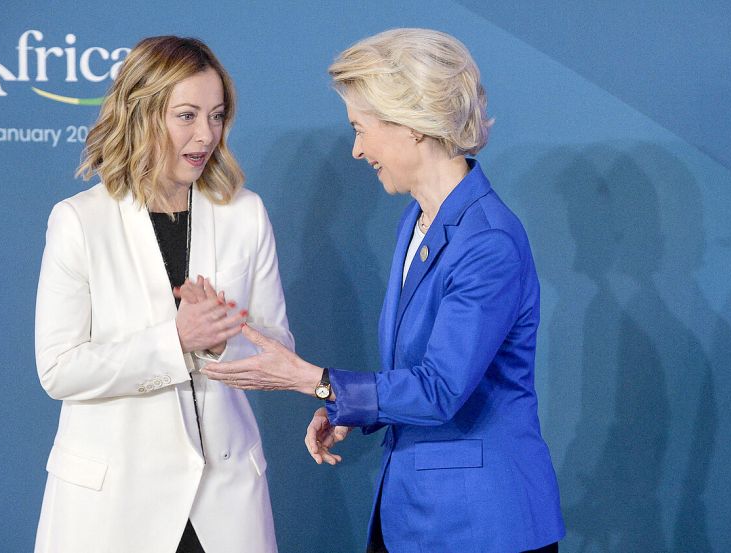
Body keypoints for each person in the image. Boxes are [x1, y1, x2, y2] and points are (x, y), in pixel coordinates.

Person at [202, 28, 565, 552]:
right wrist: (347, 407)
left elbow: (439, 390)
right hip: (415, 513)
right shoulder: (416, 220)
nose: (356, 150)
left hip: (481, 524)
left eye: (360, 129)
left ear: (411, 124)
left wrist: (317, 383)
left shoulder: (487, 241)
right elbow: (417, 373)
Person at [34, 36, 292, 553]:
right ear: (141, 114)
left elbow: (278, 347)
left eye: (216, 116)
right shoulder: (79, 220)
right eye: (186, 116)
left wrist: (221, 342)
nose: (206, 135)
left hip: (225, 504)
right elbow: (59, 369)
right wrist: (174, 340)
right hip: (113, 508)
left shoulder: (245, 214)